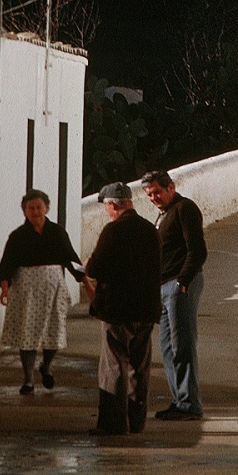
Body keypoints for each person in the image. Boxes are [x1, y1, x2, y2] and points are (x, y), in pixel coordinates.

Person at [84, 181, 162, 435]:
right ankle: (137, 422)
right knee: (139, 368)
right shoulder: (150, 230)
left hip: (118, 311)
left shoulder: (113, 231)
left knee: (114, 367)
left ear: (112, 205)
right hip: (146, 309)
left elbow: (95, 269)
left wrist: (87, 265)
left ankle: (113, 424)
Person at [0, 189, 84, 395]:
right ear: (25, 211)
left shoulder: (57, 232)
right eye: (31, 208)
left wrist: (84, 281)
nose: (35, 212)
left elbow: (70, 258)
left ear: (46, 208)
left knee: (53, 332)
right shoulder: (18, 236)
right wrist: (4, 287)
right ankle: (28, 379)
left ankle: (46, 366)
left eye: (39, 207)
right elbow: (7, 263)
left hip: (53, 289)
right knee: (27, 333)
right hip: (26, 291)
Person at [141, 169, 207, 420]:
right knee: (168, 347)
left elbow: (197, 250)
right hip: (165, 287)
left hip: (180, 286)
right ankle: (179, 400)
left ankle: (190, 403)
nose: (154, 197)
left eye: (157, 191)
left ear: (171, 188)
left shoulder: (184, 209)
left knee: (183, 345)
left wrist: (183, 281)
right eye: (149, 194)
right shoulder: (164, 214)